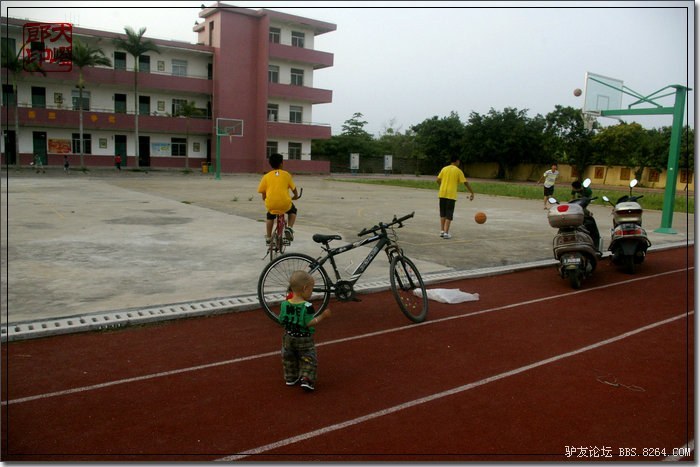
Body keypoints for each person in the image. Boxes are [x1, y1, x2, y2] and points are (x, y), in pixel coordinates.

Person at [278, 270, 332, 391]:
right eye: (311, 289)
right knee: (308, 358)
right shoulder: (307, 306)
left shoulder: (284, 304)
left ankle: (290, 377)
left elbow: (281, 320)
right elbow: (309, 322)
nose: (312, 292)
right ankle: (307, 378)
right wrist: (322, 316)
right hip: (304, 338)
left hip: (288, 337)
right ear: (305, 288)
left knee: (289, 358)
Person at [257, 153, 299, 244]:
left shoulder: (266, 176)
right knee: (293, 211)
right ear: (281, 163)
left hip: (271, 203)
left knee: (270, 216)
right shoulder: (286, 175)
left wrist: (266, 198)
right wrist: (296, 195)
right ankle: (290, 229)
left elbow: (263, 194)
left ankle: (268, 237)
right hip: (285, 203)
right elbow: (294, 189)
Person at [436, 155, 474, 239]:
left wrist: (441, 186)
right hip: (451, 195)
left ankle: (442, 231)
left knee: (443, 213)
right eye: (459, 161)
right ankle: (446, 233)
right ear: (456, 161)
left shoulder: (444, 169)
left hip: (442, 193)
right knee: (449, 213)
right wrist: (472, 192)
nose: (459, 163)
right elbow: (465, 182)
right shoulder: (458, 171)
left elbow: (438, 180)